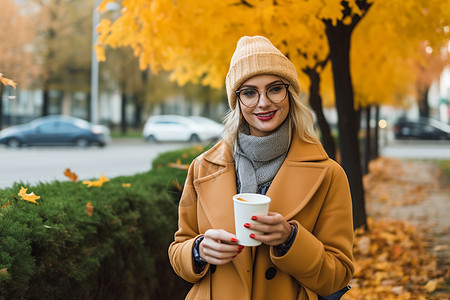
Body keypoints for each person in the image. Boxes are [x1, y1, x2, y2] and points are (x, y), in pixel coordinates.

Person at [168, 36, 354, 300]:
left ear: (289, 93)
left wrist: (290, 238)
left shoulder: (329, 174)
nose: (263, 102)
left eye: (274, 88)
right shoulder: (203, 168)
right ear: (237, 101)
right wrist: (198, 251)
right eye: (249, 92)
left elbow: (338, 274)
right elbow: (178, 251)